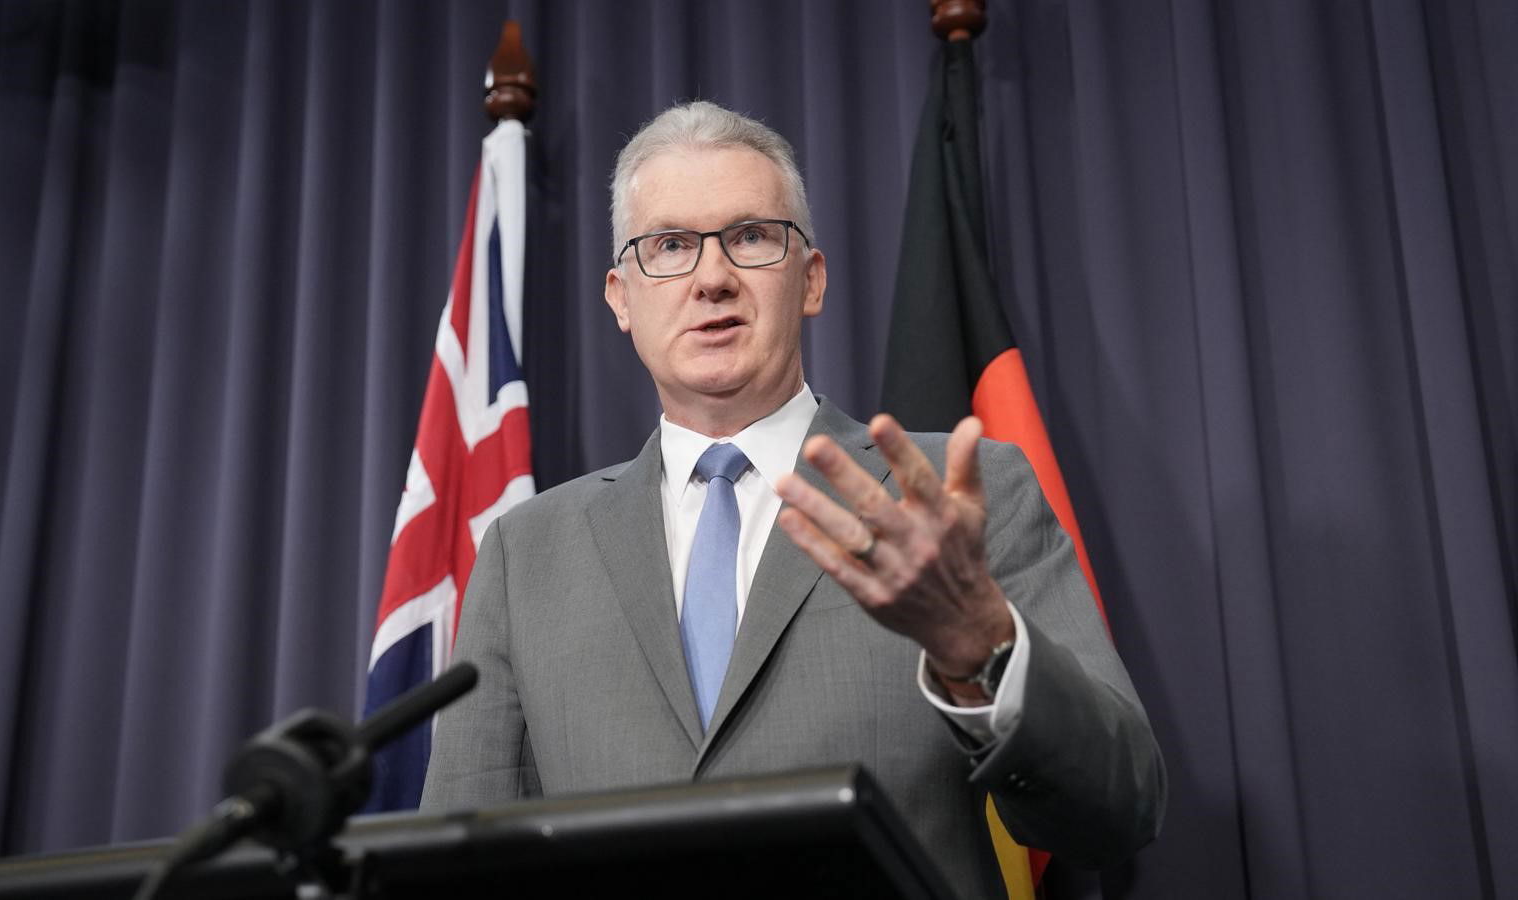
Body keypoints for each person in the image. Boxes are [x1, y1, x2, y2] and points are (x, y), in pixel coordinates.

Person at [421, 101, 1164, 898]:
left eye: (749, 237)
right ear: (621, 298)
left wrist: (980, 646)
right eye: (670, 245)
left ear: (810, 280)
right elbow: (457, 865)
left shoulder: (965, 492)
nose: (712, 278)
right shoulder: (526, 553)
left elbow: (1117, 810)